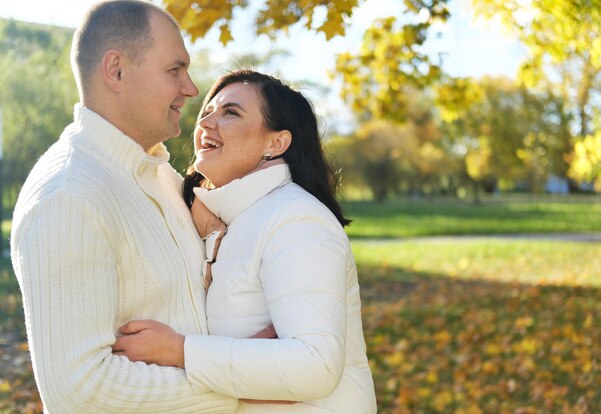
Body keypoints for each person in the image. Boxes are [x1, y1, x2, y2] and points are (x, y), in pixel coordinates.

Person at [10, 1, 238, 412]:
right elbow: (81, 388)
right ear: (116, 70)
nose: (190, 89)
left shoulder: (162, 178)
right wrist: (246, 383)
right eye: (175, 70)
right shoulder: (68, 196)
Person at [113, 70, 378, 413]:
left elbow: (316, 366)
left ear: (276, 143)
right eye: (207, 111)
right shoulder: (234, 220)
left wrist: (179, 351)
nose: (206, 122)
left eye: (231, 113)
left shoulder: (296, 219)